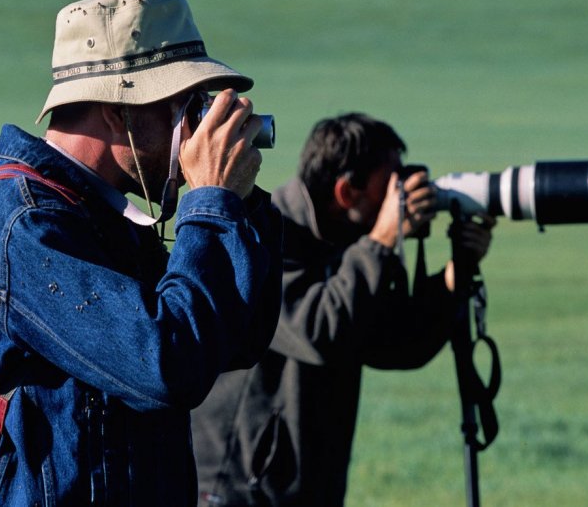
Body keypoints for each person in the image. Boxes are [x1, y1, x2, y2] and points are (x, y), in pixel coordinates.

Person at [0, 0, 282, 506]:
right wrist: (209, 201)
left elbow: (238, 339)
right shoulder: (22, 223)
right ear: (113, 109)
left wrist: (240, 203)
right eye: (183, 105)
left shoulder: (105, 217)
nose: (195, 126)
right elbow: (167, 368)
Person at [191, 112, 495, 506]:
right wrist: (383, 240)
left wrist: (455, 274)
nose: (399, 198)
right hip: (233, 490)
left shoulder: (350, 246)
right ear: (346, 193)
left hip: (304, 490)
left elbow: (396, 343)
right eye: (389, 186)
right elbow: (320, 330)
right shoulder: (265, 239)